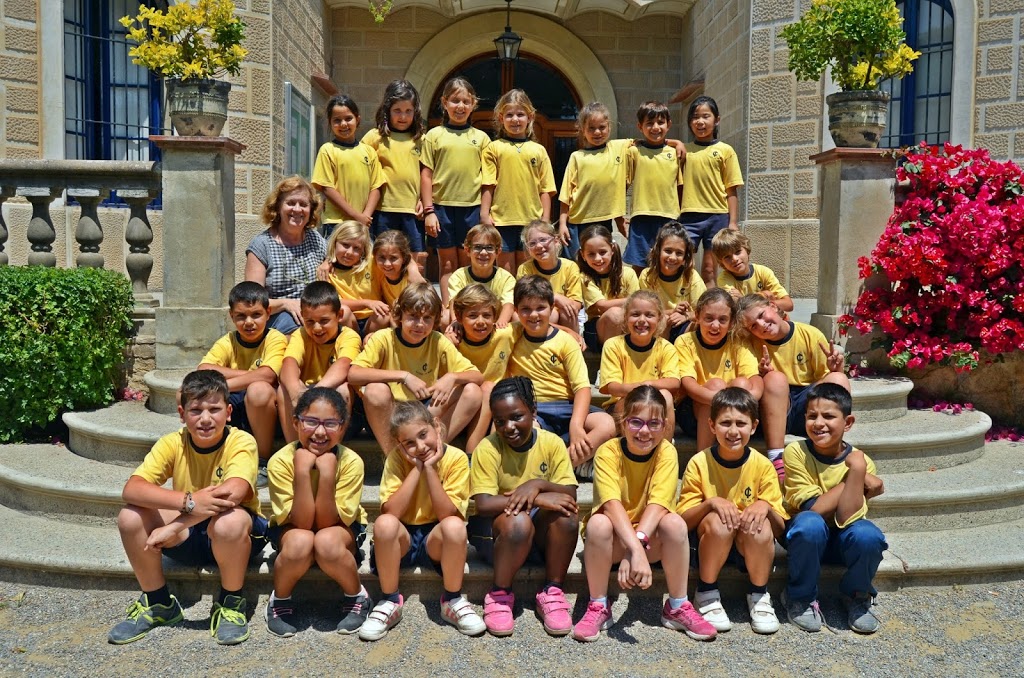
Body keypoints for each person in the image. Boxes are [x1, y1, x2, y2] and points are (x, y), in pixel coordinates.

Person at [108, 370, 267, 646]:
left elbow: (233, 494)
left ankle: (230, 602)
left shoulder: (241, 441)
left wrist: (174, 526)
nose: (205, 418)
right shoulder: (172, 443)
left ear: (229, 412)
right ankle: (158, 603)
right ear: (182, 414)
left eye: (214, 409)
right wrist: (188, 501)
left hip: (236, 537)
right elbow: (131, 489)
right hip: (191, 536)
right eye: (195, 410)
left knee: (229, 520)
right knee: (130, 516)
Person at [571, 385, 716, 643]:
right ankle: (598, 605)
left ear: (664, 425)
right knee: (598, 524)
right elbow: (611, 504)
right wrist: (634, 549)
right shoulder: (608, 451)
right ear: (623, 422)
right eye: (636, 422)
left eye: (653, 423)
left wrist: (637, 547)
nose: (645, 431)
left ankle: (677, 605)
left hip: (650, 541)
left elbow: (658, 504)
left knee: (674, 523)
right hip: (612, 543)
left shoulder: (666, 452)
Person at [360, 401, 486, 641]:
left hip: (436, 539)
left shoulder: (456, 458)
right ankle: (390, 601)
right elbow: (391, 511)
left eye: (423, 435)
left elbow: (448, 515)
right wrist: (417, 469)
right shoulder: (396, 459)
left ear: (436, 426)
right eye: (409, 443)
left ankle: (452, 600)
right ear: (400, 445)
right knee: (384, 523)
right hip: (402, 538)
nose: (419, 447)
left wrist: (429, 470)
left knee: (454, 526)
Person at [469, 377, 579, 637]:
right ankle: (500, 593)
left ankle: (552, 591)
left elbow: (570, 495)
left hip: (535, 534)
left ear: (533, 412)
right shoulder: (488, 448)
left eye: (517, 417)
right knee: (519, 521)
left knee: (567, 516)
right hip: (498, 534)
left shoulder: (552, 443)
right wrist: (537, 498)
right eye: (499, 421)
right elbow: (484, 504)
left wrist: (537, 484)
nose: (508, 427)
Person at [677, 388, 787, 635]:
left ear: (754, 426)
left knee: (761, 525)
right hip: (710, 542)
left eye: (741, 423)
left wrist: (765, 506)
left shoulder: (763, 466)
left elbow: (780, 529)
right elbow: (683, 520)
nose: (733, 431)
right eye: (725, 423)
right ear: (712, 426)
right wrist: (710, 503)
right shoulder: (699, 462)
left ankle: (759, 595)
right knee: (720, 522)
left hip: (749, 543)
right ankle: (706, 592)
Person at [264, 387, 371, 637]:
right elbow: (301, 523)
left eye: (331, 423)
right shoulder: (280, 461)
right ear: (295, 423)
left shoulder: (351, 461)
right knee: (301, 541)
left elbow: (326, 523)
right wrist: (302, 472)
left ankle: (357, 596)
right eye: (311, 421)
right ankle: (279, 600)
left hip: (339, 529)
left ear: (343, 428)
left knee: (325, 541)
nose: (320, 432)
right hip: (293, 528)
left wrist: (327, 474)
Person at [782, 383, 887, 634]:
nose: (819, 423)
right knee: (810, 523)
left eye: (828, 416)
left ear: (847, 422)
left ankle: (856, 595)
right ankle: (799, 597)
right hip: (805, 540)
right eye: (812, 416)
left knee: (868, 534)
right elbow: (815, 509)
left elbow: (847, 516)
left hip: (842, 540)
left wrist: (858, 469)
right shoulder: (796, 452)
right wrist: (855, 477)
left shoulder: (862, 461)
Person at [348, 282, 483, 454]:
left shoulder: (437, 340)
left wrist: (451, 377)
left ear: (435, 320)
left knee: (473, 391)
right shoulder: (384, 338)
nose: (420, 324)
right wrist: (403, 376)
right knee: (375, 390)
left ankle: (431, 450)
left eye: (427, 318)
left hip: (424, 409)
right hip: (391, 413)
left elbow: (477, 376)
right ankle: (395, 459)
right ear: (400, 315)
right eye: (413, 316)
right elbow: (353, 374)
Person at [507, 276, 616, 473]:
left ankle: (557, 467)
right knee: (526, 429)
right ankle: (571, 466)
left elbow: (582, 388)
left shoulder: (565, 342)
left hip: (568, 406)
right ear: (516, 311)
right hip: (534, 409)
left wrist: (576, 424)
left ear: (551, 308)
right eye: (525, 309)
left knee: (607, 424)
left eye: (540, 308)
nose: (533, 315)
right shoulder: (511, 335)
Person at [737, 293, 849, 483]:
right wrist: (762, 375)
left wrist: (835, 369)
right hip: (773, 409)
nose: (762, 325)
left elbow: (826, 381)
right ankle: (776, 457)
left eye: (762, 315)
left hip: (807, 406)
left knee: (839, 379)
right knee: (774, 378)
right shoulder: (751, 345)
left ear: (773, 306)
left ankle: (832, 449)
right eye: (753, 326)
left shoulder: (809, 334)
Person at [198, 281, 286, 479]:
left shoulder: (275, 338)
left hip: (266, 410)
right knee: (194, 393)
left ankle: (262, 461)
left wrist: (225, 383)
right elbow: (203, 370)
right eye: (241, 316)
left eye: (256, 315)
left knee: (258, 389)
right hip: (236, 405)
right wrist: (252, 374)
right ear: (231, 316)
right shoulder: (228, 340)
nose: (249, 322)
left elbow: (268, 376)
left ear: (268, 313)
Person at [420, 77, 491, 309]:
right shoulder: (434, 135)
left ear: (473, 104)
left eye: (465, 101)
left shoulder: (481, 138)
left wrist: (485, 213)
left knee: (470, 263)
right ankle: (449, 310)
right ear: (444, 103)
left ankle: (470, 308)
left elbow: (488, 179)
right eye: (455, 101)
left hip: (472, 208)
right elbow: (426, 175)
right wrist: (429, 211)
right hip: (442, 209)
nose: (460, 106)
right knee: (448, 264)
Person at [675, 288, 761, 453]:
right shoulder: (685, 342)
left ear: (731, 322)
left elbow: (755, 380)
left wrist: (736, 402)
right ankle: (702, 459)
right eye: (709, 318)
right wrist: (722, 401)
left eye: (723, 320)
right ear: (697, 316)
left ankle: (737, 456)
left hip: (734, 411)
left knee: (742, 384)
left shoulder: (738, 342)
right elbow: (688, 384)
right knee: (716, 385)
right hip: (695, 413)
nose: (715, 325)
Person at [480, 89, 556, 273]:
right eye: (509, 115)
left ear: (530, 117)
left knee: (527, 273)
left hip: (531, 222)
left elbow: (546, 189)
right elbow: (488, 184)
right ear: (501, 118)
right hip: (501, 221)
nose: (515, 120)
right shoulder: (493, 148)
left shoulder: (538, 150)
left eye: (520, 114)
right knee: (505, 272)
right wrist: (484, 214)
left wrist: (545, 220)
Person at [278, 282, 362, 445]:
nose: (317, 328)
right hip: (305, 404)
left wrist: (312, 396)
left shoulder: (349, 336)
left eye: (324, 321)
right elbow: (289, 363)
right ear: (302, 316)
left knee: (343, 389)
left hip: (335, 407)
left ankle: (334, 449)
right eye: (310, 321)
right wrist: (296, 393)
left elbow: (344, 365)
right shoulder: (300, 335)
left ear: (339, 315)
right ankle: (295, 449)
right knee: (284, 389)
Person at [245, 176, 327, 334]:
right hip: (279, 315)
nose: (297, 209)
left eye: (303, 204)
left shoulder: (316, 239)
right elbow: (252, 301)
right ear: (278, 207)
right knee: (299, 327)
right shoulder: (261, 245)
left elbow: (338, 256)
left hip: (314, 311)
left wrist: (328, 261)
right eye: (291, 203)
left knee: (345, 316)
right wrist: (286, 303)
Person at [363, 80, 428, 272]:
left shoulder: (421, 140)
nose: (403, 116)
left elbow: (428, 174)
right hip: (383, 210)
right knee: (383, 259)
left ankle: (412, 290)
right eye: (397, 111)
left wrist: (425, 201)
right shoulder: (374, 137)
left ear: (415, 112)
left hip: (412, 211)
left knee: (414, 262)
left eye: (408, 111)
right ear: (387, 111)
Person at [680, 95, 744, 286]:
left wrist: (733, 222)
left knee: (709, 270)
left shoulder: (726, 151)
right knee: (684, 267)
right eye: (695, 117)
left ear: (717, 120)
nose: (700, 122)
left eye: (705, 116)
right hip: (688, 217)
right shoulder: (683, 150)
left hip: (717, 216)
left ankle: (712, 302)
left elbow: (731, 190)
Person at [598, 290, 681, 434]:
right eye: (635, 314)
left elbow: (674, 382)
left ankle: (664, 446)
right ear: (625, 317)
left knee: (666, 396)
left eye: (649, 315)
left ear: (659, 318)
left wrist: (646, 386)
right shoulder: (613, 345)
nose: (642, 320)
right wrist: (644, 389)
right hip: (622, 404)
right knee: (639, 403)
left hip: (655, 406)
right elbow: (612, 387)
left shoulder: (666, 347)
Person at [557, 102, 632, 259]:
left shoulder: (619, 148)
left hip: (604, 221)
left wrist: (676, 143)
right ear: (582, 130)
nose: (597, 132)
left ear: (609, 127)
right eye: (591, 128)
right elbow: (566, 195)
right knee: (577, 264)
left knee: (600, 263)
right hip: (577, 223)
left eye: (602, 127)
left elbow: (648, 143)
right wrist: (563, 224)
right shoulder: (577, 157)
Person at [449, 284, 516, 453]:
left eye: (487, 315)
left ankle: (472, 454)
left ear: (495, 316)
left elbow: (534, 326)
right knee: (482, 388)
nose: (480, 321)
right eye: (472, 315)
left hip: (495, 406)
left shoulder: (504, 334)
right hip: (464, 406)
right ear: (459, 317)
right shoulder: (453, 340)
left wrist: (570, 331)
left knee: (488, 388)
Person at [310, 94, 385, 237]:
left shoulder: (369, 151)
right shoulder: (327, 150)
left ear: (358, 119)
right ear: (330, 123)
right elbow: (327, 188)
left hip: (364, 223)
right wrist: (355, 215)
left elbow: (376, 186)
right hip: (337, 222)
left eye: (348, 118)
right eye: (337, 120)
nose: (343, 124)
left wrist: (365, 216)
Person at [624, 101, 684, 272]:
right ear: (640, 126)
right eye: (649, 123)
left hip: (669, 217)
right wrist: (620, 216)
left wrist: (676, 143)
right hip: (641, 217)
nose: (655, 127)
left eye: (660, 122)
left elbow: (680, 187)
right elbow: (623, 184)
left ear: (669, 124)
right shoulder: (634, 151)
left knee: (667, 265)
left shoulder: (675, 153)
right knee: (639, 265)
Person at [639, 220, 706, 342]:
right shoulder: (647, 276)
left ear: (685, 257)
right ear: (658, 250)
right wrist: (672, 312)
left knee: (700, 325)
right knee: (663, 320)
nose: (673, 257)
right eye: (668, 251)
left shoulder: (691, 276)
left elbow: (705, 311)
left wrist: (687, 316)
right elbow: (645, 312)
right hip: (656, 328)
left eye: (679, 253)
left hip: (683, 327)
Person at [321, 220, 387, 336]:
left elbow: (397, 254)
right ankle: (353, 342)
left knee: (384, 314)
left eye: (356, 248)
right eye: (345, 245)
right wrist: (366, 303)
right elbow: (334, 302)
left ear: (363, 250)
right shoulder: (327, 271)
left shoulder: (372, 263)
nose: (349, 252)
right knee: (343, 311)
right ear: (335, 243)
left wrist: (413, 268)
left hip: (371, 318)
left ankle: (371, 342)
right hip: (348, 321)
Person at [577, 224, 640, 345]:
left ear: (612, 250)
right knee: (614, 314)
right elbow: (602, 305)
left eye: (602, 252)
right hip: (597, 331)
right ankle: (610, 354)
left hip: (626, 324)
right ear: (583, 255)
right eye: (591, 254)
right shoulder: (585, 278)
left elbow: (637, 305)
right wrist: (632, 299)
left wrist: (635, 301)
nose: (597, 258)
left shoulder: (628, 273)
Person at [516, 220, 584, 328]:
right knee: (550, 314)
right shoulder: (525, 269)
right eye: (532, 243)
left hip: (564, 317)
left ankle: (571, 339)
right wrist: (555, 297)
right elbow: (526, 301)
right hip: (537, 316)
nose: (538, 246)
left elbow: (576, 304)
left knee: (568, 313)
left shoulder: (570, 267)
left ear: (556, 241)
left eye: (543, 240)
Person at [446, 224, 516, 328]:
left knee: (516, 317)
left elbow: (508, 304)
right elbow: (454, 303)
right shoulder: (458, 276)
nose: (483, 252)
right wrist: (456, 322)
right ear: (467, 250)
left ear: (498, 251)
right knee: (445, 317)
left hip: (495, 322)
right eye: (477, 247)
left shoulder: (506, 278)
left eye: (489, 248)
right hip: (469, 322)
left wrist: (500, 324)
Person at [711, 229, 793, 313]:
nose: (735, 259)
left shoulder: (763, 272)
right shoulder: (724, 279)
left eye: (738, 252)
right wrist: (763, 298)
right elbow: (735, 307)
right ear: (721, 262)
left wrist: (743, 299)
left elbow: (788, 304)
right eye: (727, 257)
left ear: (747, 250)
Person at [369, 229, 427, 335]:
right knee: (381, 315)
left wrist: (413, 270)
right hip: (391, 315)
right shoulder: (376, 269)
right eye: (382, 258)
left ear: (403, 258)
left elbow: (425, 303)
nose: (387, 264)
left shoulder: (411, 278)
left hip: (413, 318)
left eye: (393, 258)